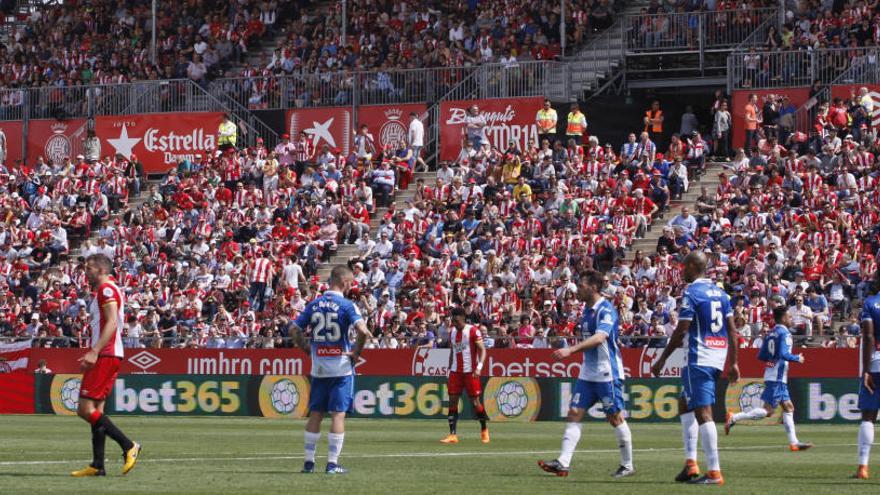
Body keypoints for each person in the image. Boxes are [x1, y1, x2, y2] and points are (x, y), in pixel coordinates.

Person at [651, 251, 739, 486]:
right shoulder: (721, 293)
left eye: (683, 266)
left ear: (692, 266)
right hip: (717, 356)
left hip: (698, 357)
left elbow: (681, 330)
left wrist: (662, 360)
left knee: (703, 413)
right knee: (684, 402)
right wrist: (734, 362)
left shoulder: (692, 292)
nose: (681, 270)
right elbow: (732, 330)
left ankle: (714, 473)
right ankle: (691, 464)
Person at [538, 270, 635, 479]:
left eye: (580, 286)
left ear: (592, 287)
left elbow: (600, 338)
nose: (577, 289)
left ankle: (627, 465)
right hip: (587, 373)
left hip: (607, 372)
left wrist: (570, 350)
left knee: (615, 417)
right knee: (574, 413)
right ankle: (563, 463)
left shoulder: (606, 310)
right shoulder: (587, 312)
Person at [291, 265, 371, 475]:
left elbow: (293, 329)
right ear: (344, 282)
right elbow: (363, 331)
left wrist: (307, 349)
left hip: (319, 368)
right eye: (351, 283)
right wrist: (356, 352)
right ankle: (332, 464)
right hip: (341, 369)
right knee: (338, 415)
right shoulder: (347, 305)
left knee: (315, 414)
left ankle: (309, 463)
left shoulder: (314, 304)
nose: (351, 286)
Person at [71, 254, 141, 477]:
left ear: (101, 270)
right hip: (108, 353)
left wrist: (95, 351)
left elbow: (111, 323)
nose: (86, 272)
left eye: (89, 268)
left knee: (84, 409)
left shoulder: (106, 290)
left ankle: (128, 445)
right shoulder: (105, 291)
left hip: (106, 354)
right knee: (97, 411)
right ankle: (97, 465)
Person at [724, 306, 812, 451]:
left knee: (789, 407)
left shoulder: (771, 333)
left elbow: (761, 355)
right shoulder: (785, 334)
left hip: (774, 376)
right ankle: (734, 418)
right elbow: (784, 354)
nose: (791, 319)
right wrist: (797, 358)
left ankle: (794, 443)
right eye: (789, 317)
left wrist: (771, 360)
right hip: (777, 377)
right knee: (768, 411)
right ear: (783, 318)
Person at [440, 306, 490, 444]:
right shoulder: (452, 333)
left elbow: (482, 350)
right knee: (452, 401)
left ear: (462, 317)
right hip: (456, 372)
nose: (453, 322)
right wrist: (448, 370)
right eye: (452, 320)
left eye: (455, 320)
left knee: (475, 402)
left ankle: (484, 430)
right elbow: (452, 352)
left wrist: (479, 367)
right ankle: (452, 435)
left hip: (470, 372)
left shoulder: (473, 331)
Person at [855, 271, 880, 480]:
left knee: (868, 416)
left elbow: (869, 335)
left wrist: (866, 370)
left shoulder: (871, 303)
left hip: (876, 363)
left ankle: (863, 466)